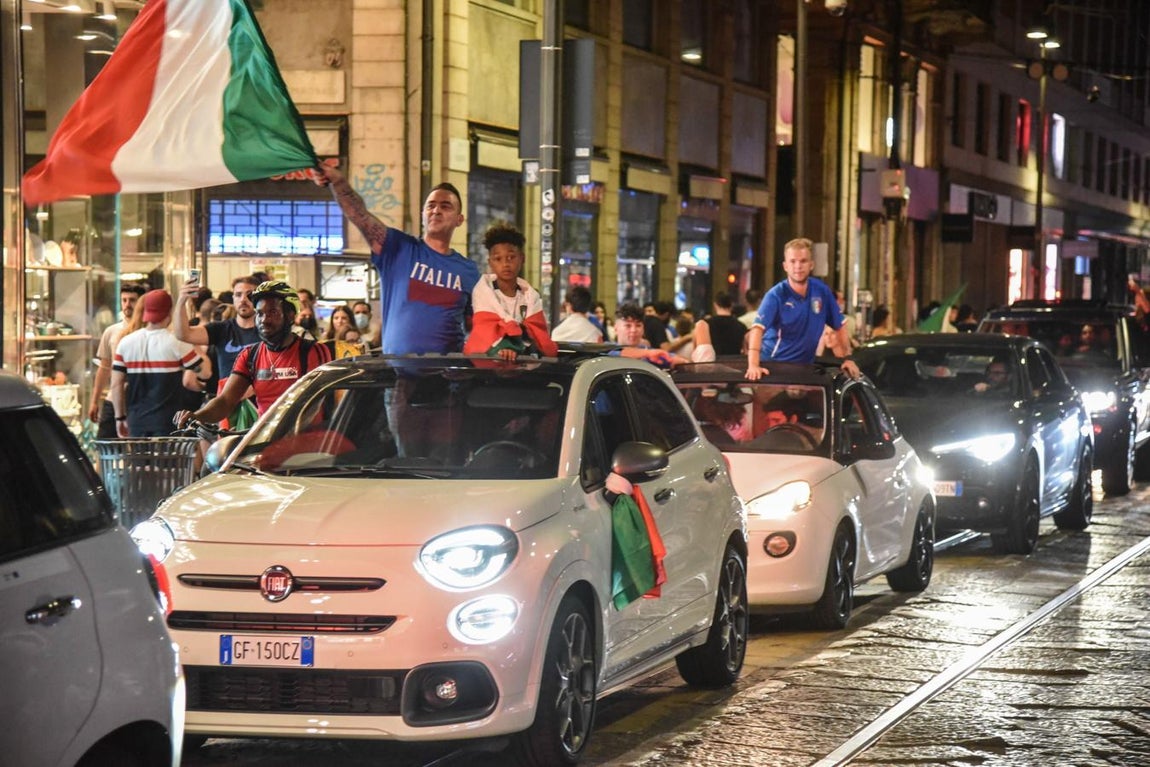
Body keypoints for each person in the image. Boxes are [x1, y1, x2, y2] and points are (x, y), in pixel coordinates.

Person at [316, 164, 480, 354]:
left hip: (449, 377)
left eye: (445, 206)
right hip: (399, 375)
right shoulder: (398, 248)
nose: (436, 211)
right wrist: (338, 182)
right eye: (431, 206)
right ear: (423, 215)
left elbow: (477, 324)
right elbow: (360, 216)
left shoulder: (468, 270)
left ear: (459, 220)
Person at [174, 281, 332, 427]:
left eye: (273, 312)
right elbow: (225, 401)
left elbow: (327, 400)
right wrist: (197, 416)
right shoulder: (250, 355)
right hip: (265, 440)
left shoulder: (313, 351)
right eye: (260, 313)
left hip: (307, 444)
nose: (264, 319)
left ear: (290, 316)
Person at [745, 238, 860, 381]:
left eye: (803, 261)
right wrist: (753, 365)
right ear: (785, 266)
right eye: (793, 261)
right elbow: (757, 330)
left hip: (805, 369)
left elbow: (840, 326)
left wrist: (847, 358)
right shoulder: (776, 295)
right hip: (773, 368)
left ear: (811, 265)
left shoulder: (822, 291)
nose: (798, 266)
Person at [110, 290, 205, 437]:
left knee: (139, 460)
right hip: (169, 422)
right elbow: (204, 371)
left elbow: (116, 384)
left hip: (136, 421)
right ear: (169, 312)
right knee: (168, 461)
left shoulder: (126, 343)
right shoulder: (176, 342)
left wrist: (119, 417)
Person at [464, 222, 557, 360]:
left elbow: (537, 332)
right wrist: (505, 345)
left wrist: (515, 345)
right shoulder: (482, 293)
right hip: (486, 369)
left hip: (524, 367)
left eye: (511, 257)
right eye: (498, 259)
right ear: (490, 263)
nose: (505, 264)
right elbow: (484, 329)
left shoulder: (531, 296)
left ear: (522, 259)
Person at [691, 291, 748, 361]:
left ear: (715, 305)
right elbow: (745, 351)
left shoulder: (706, 325)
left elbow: (696, 351)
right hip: (735, 366)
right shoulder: (741, 326)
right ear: (731, 305)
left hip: (711, 366)